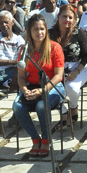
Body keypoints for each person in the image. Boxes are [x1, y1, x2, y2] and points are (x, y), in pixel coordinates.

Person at [13, 14, 65, 158]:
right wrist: (24, 90)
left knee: (41, 106)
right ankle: (36, 139)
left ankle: (46, 140)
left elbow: (58, 76)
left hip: (53, 87)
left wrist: (43, 90)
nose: (39, 32)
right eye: (35, 29)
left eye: (42, 29)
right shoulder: (24, 50)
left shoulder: (55, 48)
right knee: (17, 106)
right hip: (31, 86)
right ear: (29, 31)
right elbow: (21, 76)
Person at [49, 5, 87, 125]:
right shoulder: (50, 34)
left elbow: (86, 56)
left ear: (74, 20)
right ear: (58, 17)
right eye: (64, 16)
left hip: (78, 66)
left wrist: (76, 71)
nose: (67, 20)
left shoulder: (79, 32)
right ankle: (63, 111)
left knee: (71, 88)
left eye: (70, 17)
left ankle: (73, 106)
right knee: (55, 89)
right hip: (56, 68)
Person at [0, 11, 26, 133]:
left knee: (24, 86)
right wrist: (12, 62)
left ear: (12, 22)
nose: (4, 25)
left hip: (13, 72)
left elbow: (21, 61)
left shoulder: (19, 40)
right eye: (1, 22)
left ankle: (16, 117)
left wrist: (15, 72)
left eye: (6, 22)